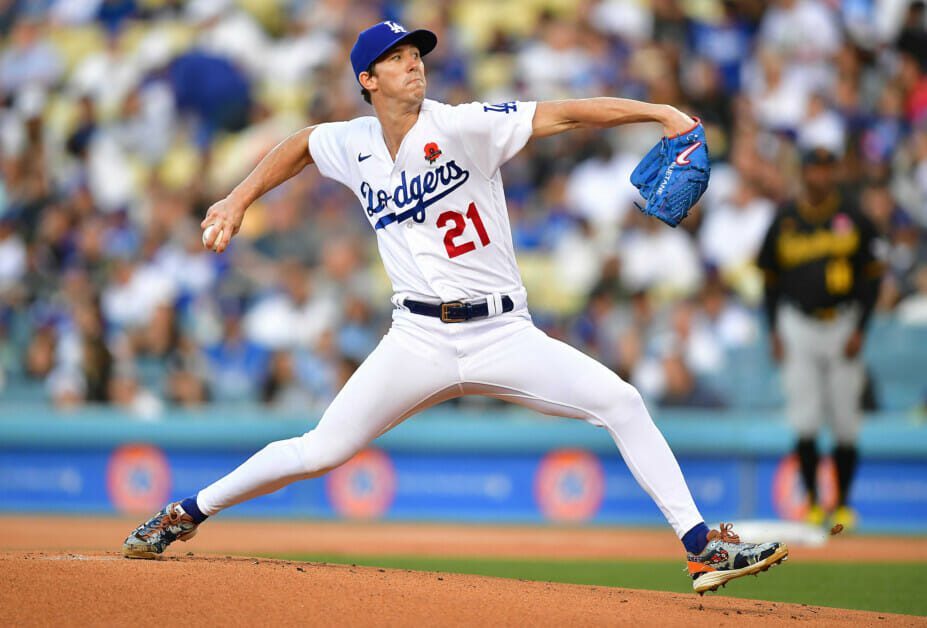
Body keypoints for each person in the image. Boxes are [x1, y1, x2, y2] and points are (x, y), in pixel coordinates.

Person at [122, 20, 787, 594]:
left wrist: (660, 112)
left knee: (620, 401)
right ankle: (184, 513)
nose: (414, 64)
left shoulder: (466, 125)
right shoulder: (353, 143)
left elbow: (565, 113)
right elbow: (299, 143)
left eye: (417, 55)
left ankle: (701, 546)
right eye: (397, 59)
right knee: (320, 448)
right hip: (415, 337)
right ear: (367, 80)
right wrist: (237, 198)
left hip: (502, 331)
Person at [757, 147, 884, 530]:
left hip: (843, 322)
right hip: (798, 323)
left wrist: (861, 327)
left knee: (846, 422)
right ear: (804, 173)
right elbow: (769, 280)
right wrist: (773, 330)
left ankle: (842, 504)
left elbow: (873, 276)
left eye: (827, 169)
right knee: (806, 420)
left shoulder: (853, 215)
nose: (821, 177)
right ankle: (813, 502)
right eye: (815, 169)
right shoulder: (785, 218)